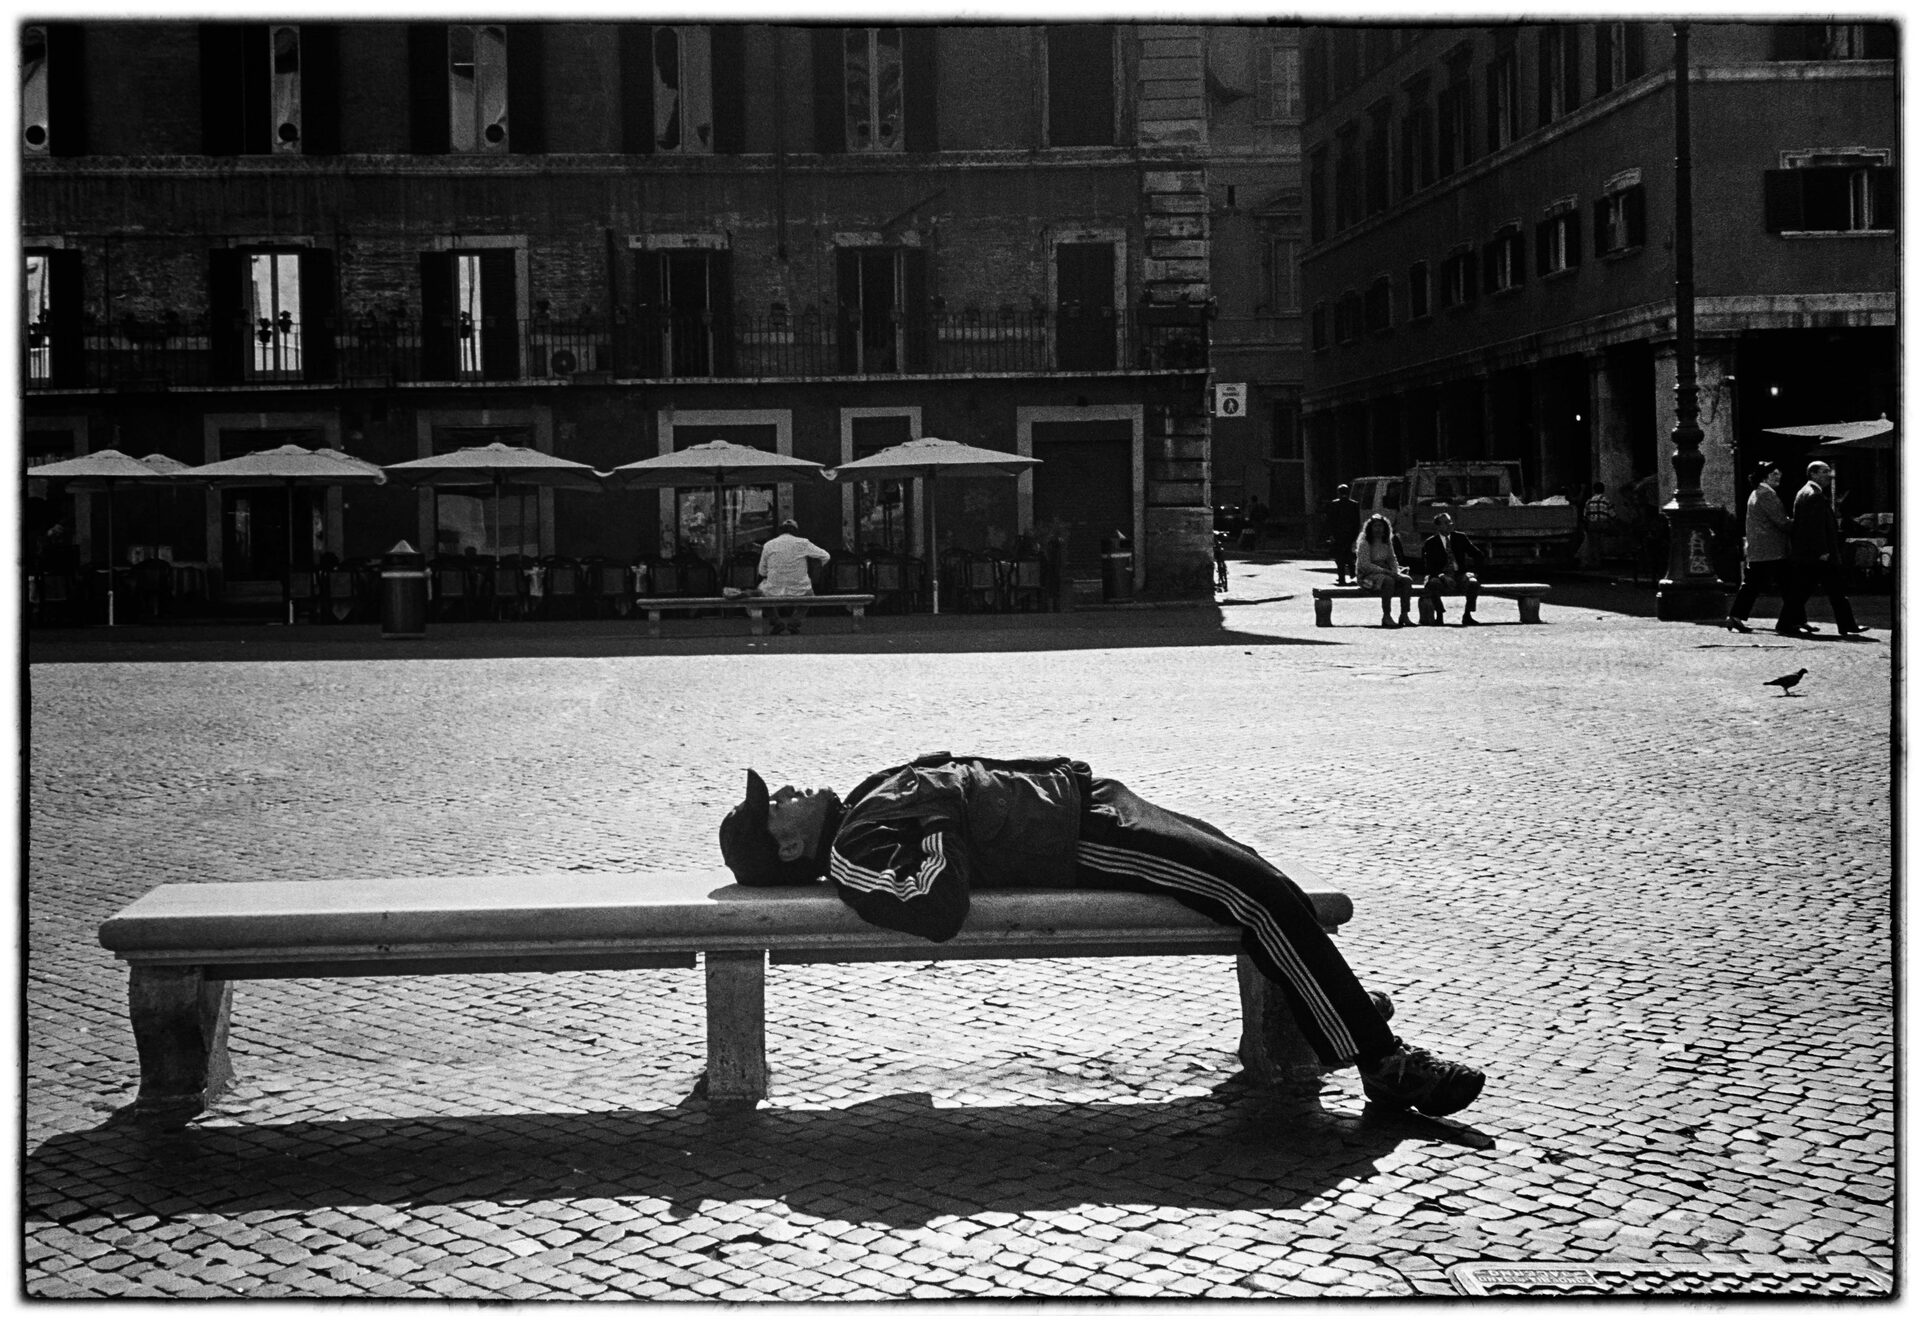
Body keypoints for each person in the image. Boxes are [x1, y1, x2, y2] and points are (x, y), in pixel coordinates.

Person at [719, 754, 1487, 1117]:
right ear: (788, 847)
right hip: (1082, 838)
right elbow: (933, 902)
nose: (785, 789)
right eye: (775, 805)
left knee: (1258, 875)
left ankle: (1335, 1015)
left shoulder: (857, 807)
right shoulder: (854, 852)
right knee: (1255, 896)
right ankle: (1381, 1063)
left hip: (1091, 800)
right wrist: (938, 814)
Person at [1776, 460, 1864, 638]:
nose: (1829, 475)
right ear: (1813, 474)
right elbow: (1814, 527)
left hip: (1809, 554)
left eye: (1828, 471)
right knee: (1830, 591)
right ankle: (1847, 625)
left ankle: (1786, 623)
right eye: (1824, 471)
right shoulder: (1814, 494)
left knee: (1806, 591)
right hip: (1818, 555)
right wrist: (1822, 550)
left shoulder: (1806, 492)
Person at [1725, 463, 1791, 634]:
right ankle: (1793, 620)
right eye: (1774, 474)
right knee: (1789, 585)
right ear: (1765, 476)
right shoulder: (1767, 494)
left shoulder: (1756, 493)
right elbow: (1781, 521)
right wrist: (1797, 524)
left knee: (1752, 584)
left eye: (1779, 473)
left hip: (1760, 548)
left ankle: (1735, 616)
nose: (1779, 476)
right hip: (1771, 549)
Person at [755, 518, 831, 635]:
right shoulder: (803, 543)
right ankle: (795, 622)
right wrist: (817, 572)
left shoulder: (768, 545)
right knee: (810, 596)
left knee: (760, 593)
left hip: (774, 589)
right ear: (796, 531)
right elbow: (826, 556)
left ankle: (776, 621)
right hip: (799, 588)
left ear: (781, 531)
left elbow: (762, 572)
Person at [1420, 510, 1486, 626]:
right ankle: (1439, 615)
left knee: (1473, 583)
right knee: (1433, 584)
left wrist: (1475, 573)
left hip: (1459, 574)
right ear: (1438, 526)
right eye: (1445, 523)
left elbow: (1478, 555)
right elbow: (1428, 565)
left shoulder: (1460, 538)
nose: (1450, 524)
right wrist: (1442, 576)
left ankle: (1467, 615)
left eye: (1450, 521)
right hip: (1440, 575)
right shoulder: (1430, 542)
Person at [1353, 513, 1415, 628]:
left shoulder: (1387, 542)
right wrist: (1385, 571)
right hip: (1367, 577)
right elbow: (1365, 565)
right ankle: (1387, 615)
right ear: (1370, 528)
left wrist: (1396, 572)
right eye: (1375, 526)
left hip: (1387, 572)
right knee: (1388, 581)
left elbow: (1392, 559)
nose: (1378, 529)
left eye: (1380, 526)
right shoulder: (1365, 543)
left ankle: (1404, 614)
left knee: (1406, 580)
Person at [1325, 485, 1362, 585]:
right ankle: (1354, 576)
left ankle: (1342, 578)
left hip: (1338, 535)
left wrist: (1331, 534)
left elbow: (1330, 521)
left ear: (1338, 493)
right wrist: (1356, 535)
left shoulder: (1334, 504)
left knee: (1340, 557)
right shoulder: (1354, 504)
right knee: (1350, 555)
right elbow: (1357, 521)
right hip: (1350, 534)